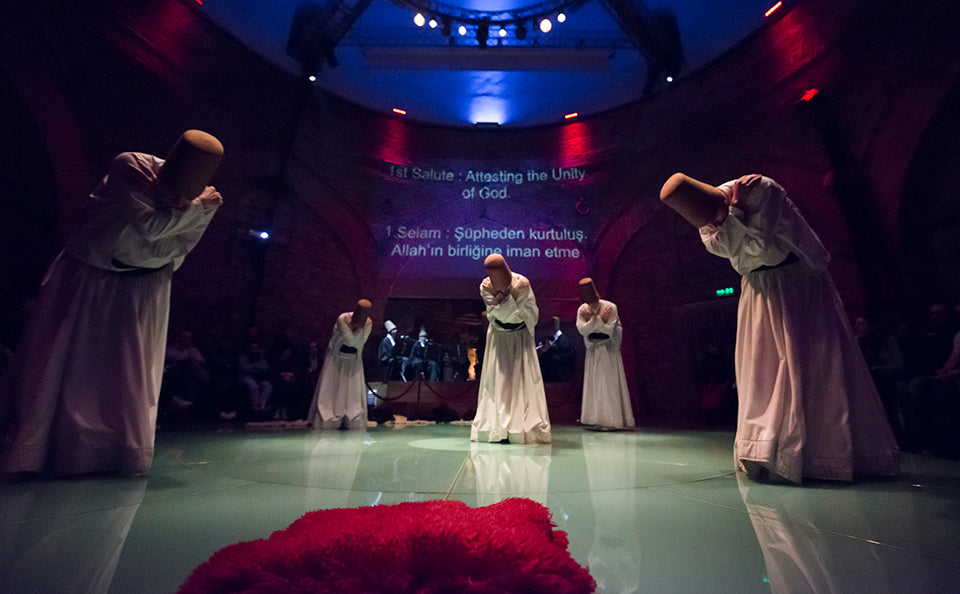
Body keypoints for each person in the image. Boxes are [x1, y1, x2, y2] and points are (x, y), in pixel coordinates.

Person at [0, 130, 223, 477]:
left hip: (143, 290)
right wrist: (194, 211)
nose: (177, 204)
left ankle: (116, 453)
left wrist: (186, 214)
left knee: (128, 373)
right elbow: (150, 226)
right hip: (89, 277)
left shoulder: (207, 202)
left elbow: (174, 249)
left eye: (185, 200)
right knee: (60, 360)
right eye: (172, 196)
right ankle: (43, 449)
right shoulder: (131, 166)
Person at [659, 172, 899, 483]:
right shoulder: (706, 217)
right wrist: (729, 217)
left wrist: (731, 216)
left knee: (810, 360)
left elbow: (757, 244)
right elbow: (721, 248)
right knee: (764, 366)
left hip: (797, 282)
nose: (714, 225)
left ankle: (821, 451)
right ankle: (763, 449)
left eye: (717, 216)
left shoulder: (761, 189)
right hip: (759, 286)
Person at [471, 254, 551, 444]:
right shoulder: (485, 286)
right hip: (499, 338)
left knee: (520, 380)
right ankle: (498, 426)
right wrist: (505, 300)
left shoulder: (522, 283)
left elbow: (525, 314)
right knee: (498, 383)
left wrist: (505, 301)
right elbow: (496, 312)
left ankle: (520, 427)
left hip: (519, 338)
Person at [576, 278, 635, 430]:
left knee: (609, 382)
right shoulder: (583, 309)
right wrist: (596, 320)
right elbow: (582, 329)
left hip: (608, 350)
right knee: (595, 382)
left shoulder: (610, 307)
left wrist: (596, 321)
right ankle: (596, 418)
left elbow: (609, 329)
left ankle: (612, 419)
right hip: (594, 351)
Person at [308, 299, 373, 430]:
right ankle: (331, 415)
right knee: (333, 385)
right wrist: (357, 331)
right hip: (336, 359)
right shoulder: (342, 319)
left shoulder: (368, 323)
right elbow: (349, 340)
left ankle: (351, 416)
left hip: (353, 360)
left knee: (352, 389)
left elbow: (360, 343)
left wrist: (359, 330)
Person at [538, 316, 575, 382]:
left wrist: (547, 351)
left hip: (559, 374)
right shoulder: (549, 339)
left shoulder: (563, 341)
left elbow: (566, 357)